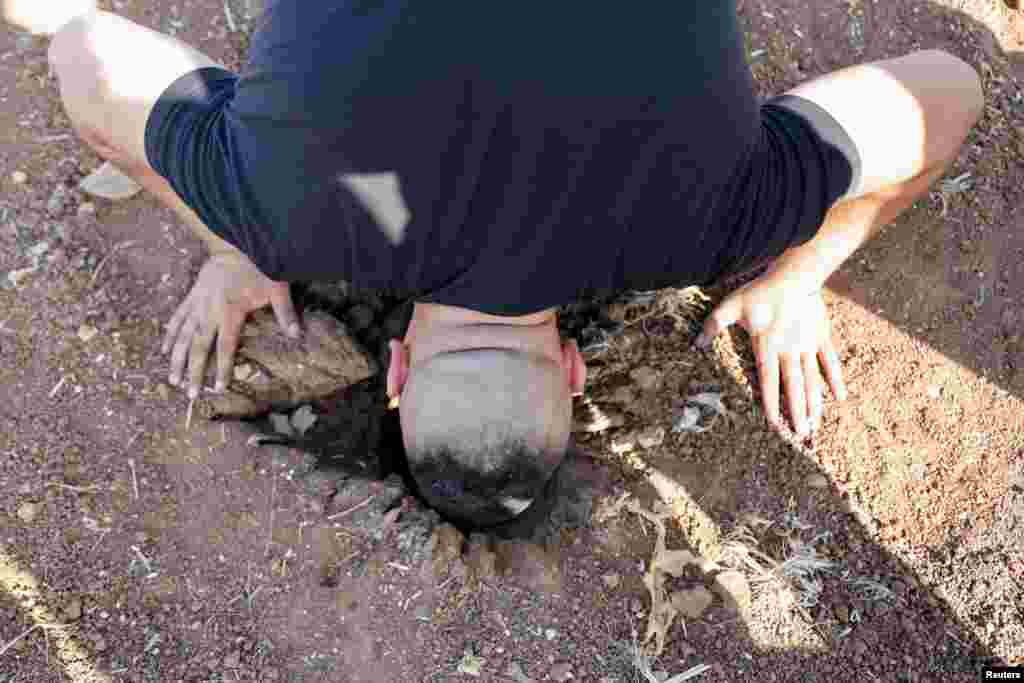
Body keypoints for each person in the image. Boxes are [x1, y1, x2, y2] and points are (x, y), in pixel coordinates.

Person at [3, 1, 982, 528]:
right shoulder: (283, 212)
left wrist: (794, 270)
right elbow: (86, 54)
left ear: (569, 370)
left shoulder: (712, 226)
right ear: (396, 373)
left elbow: (949, 88)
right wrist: (235, 238)